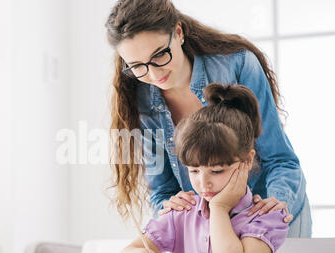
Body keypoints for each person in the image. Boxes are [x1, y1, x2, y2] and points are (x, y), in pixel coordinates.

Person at [105, 0, 311, 237]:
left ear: (179, 33)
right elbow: (162, 191)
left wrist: (276, 204)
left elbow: (281, 160)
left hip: (270, 210)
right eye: (137, 66)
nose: (153, 73)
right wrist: (170, 207)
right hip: (212, 228)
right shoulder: (141, 98)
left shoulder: (237, 65)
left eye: (160, 55)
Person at [118, 83, 289, 253]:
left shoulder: (267, 217)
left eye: (217, 171)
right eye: (194, 170)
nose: (203, 183)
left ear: (247, 160)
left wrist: (219, 208)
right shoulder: (183, 211)